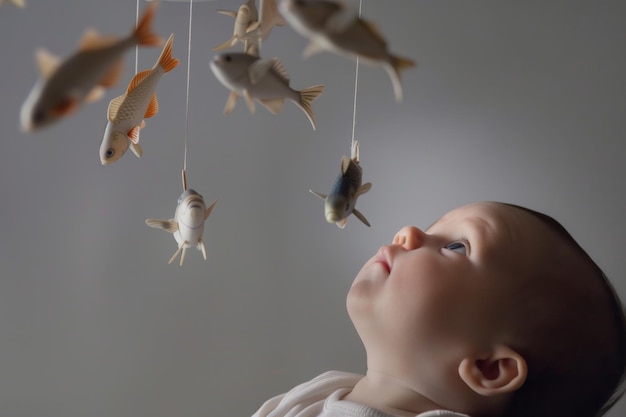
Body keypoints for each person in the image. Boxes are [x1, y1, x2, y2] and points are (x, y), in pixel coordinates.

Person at [252, 201, 626, 417]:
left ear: (489, 367)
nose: (409, 233)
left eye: (457, 247)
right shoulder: (318, 394)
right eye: (434, 228)